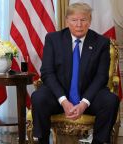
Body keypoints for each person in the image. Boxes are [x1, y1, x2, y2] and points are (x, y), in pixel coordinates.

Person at [31, 2, 119, 144]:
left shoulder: (101, 42)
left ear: (89, 21)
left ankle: (99, 141)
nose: (79, 24)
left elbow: (101, 76)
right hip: (59, 95)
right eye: (74, 20)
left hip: (89, 96)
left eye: (83, 20)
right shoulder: (53, 39)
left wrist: (84, 103)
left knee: (111, 101)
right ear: (67, 21)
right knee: (38, 98)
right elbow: (47, 73)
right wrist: (64, 101)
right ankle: (42, 140)